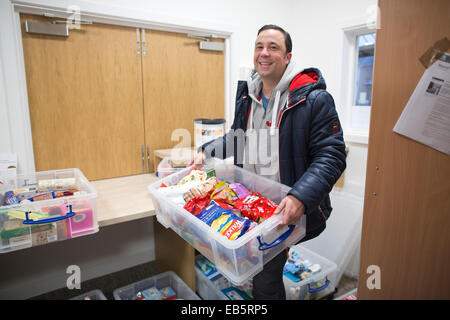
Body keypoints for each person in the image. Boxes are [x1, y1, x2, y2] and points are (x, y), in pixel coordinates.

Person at [189, 24, 346, 299]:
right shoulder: (248, 95)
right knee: (252, 267)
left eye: (273, 47)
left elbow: (332, 155)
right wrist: (206, 151)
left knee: (265, 276)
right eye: (259, 46)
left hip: (290, 208)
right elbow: (237, 137)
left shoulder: (314, 99)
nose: (264, 53)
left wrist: (299, 197)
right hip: (252, 202)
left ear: (288, 57)